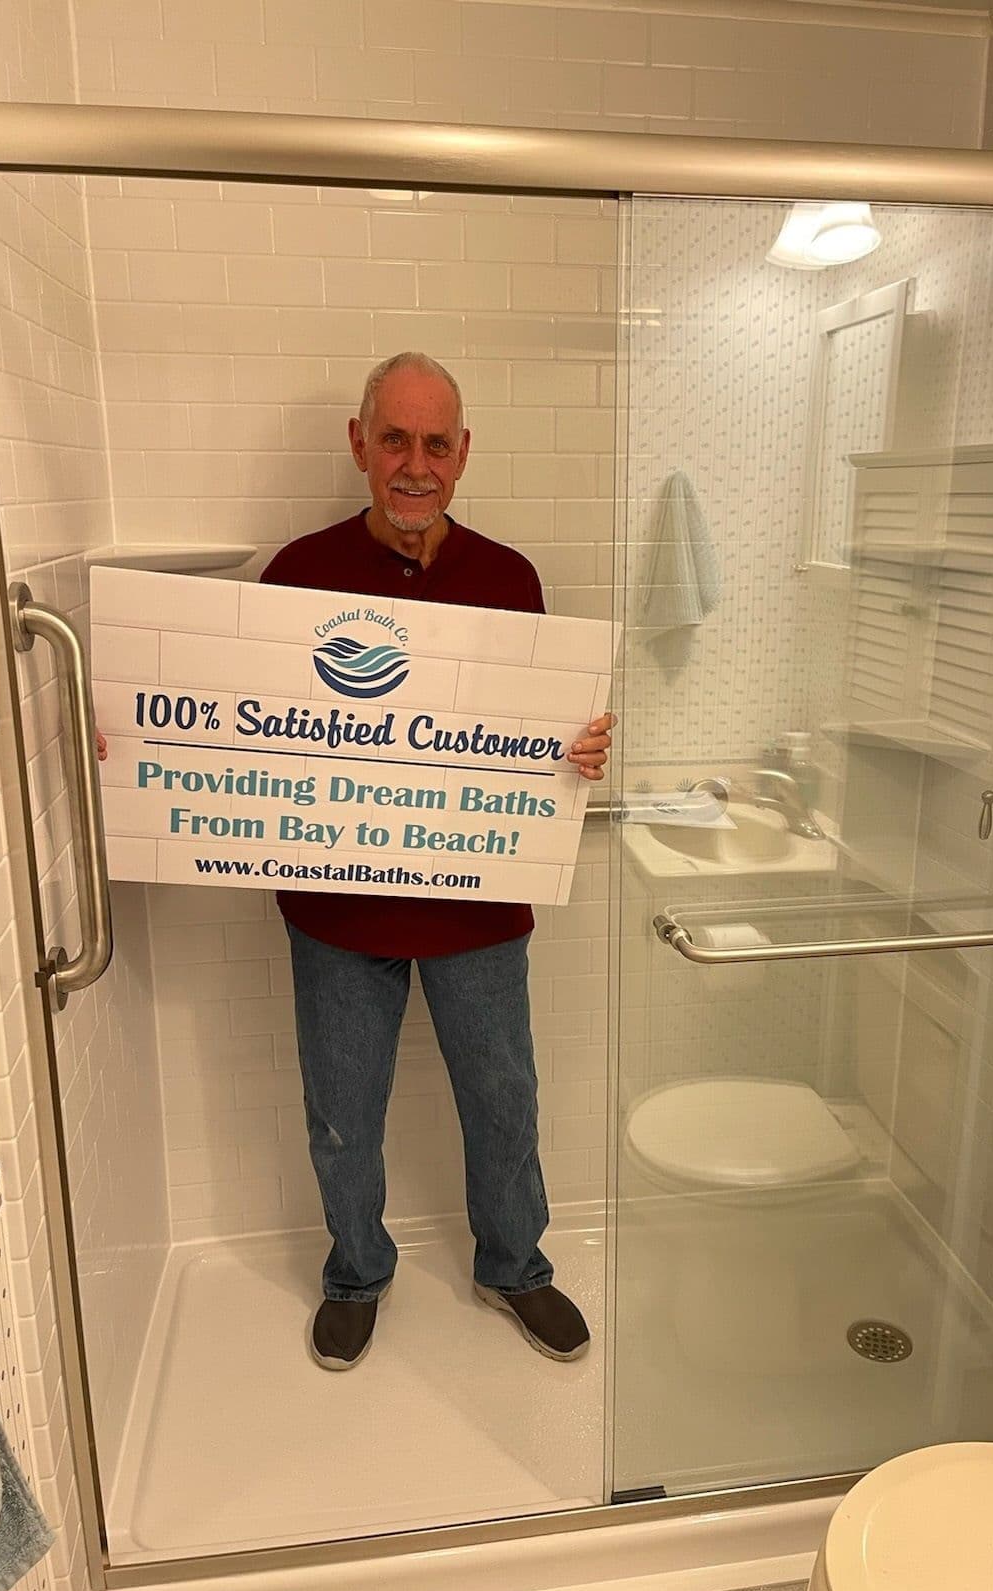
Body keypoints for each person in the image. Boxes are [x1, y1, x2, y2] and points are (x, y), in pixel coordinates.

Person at [258, 352, 612, 1371]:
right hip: (338, 911)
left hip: (478, 913)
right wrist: (155, 748)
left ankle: (516, 1266)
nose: (416, 463)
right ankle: (356, 1273)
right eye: (397, 439)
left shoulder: (511, 580)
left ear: (464, 453)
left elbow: (535, 739)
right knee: (342, 1116)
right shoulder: (297, 574)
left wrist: (575, 754)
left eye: (437, 442)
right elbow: (244, 727)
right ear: (361, 443)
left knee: (504, 1100)